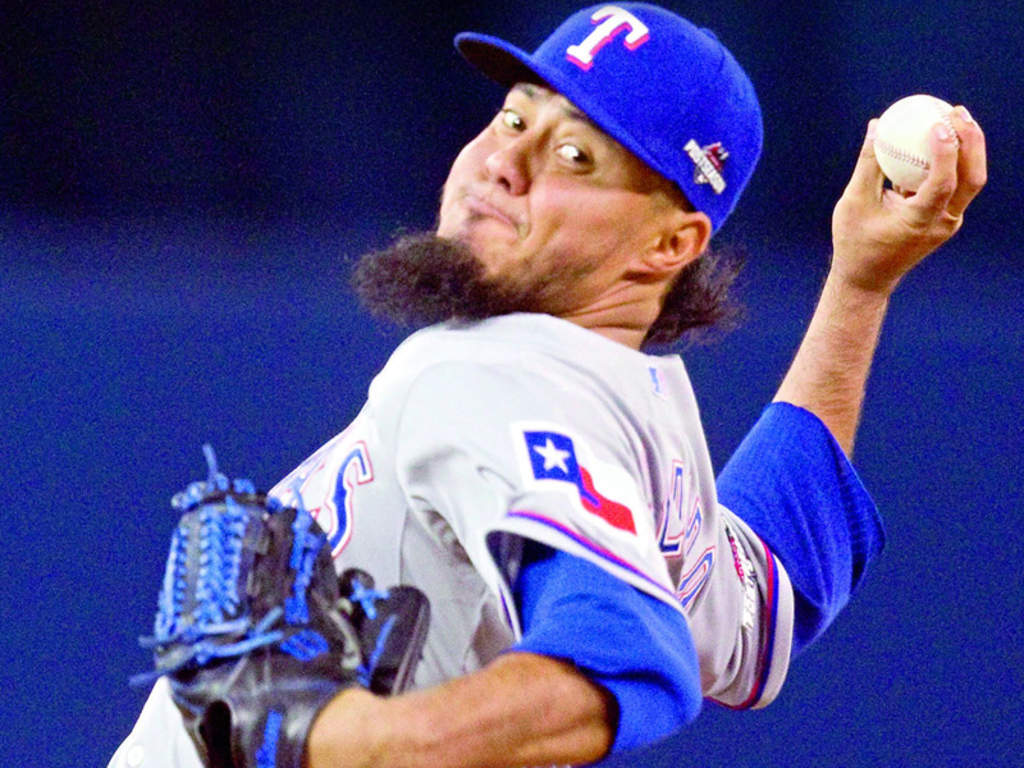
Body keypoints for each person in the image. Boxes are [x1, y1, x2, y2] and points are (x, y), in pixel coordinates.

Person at [108, 3, 986, 767]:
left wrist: (351, 739)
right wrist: (859, 284)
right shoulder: (639, 418)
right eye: (512, 117)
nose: (504, 160)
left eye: (573, 154)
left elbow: (625, 652)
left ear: (669, 246)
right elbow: (768, 589)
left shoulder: (480, 373)